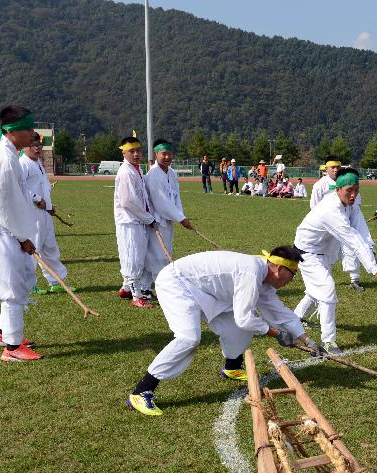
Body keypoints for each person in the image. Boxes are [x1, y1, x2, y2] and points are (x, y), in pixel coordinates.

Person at [126, 247, 323, 416]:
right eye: (293, 274)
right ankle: (141, 391)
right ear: (279, 269)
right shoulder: (252, 272)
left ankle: (231, 368)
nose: (292, 280)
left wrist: (307, 339)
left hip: (210, 293)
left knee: (240, 330)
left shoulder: (264, 279)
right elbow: (244, 318)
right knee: (189, 338)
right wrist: (276, 333)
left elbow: (279, 312)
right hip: (177, 283)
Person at [293, 168, 377, 354]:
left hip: (325, 251)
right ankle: (329, 341)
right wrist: (376, 272)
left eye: (356, 190)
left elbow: (362, 232)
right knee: (327, 290)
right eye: (349, 191)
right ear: (337, 189)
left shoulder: (351, 204)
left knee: (317, 291)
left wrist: (372, 254)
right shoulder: (331, 209)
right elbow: (352, 239)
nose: (353, 195)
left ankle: (294, 319)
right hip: (307, 252)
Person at [0, 105, 43, 361]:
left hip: (2, 228)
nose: (32, 133)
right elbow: (4, 206)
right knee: (12, 288)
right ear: (14, 131)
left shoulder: (4, 150)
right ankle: (13, 348)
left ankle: (3, 334)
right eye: (28, 128)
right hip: (0, 230)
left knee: (16, 282)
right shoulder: (4, 159)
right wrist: (22, 237)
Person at [20, 133, 72, 294]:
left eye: (39, 145)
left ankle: (56, 281)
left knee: (49, 247)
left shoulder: (38, 163)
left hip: (44, 213)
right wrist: (36, 198)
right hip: (32, 214)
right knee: (32, 248)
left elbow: (44, 187)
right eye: (33, 145)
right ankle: (28, 285)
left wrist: (49, 205)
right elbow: (19, 187)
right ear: (24, 146)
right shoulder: (22, 164)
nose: (37, 148)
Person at [310, 156, 372, 291]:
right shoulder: (319, 186)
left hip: (346, 224)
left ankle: (355, 280)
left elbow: (355, 206)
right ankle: (325, 280)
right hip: (328, 227)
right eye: (332, 167)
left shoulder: (350, 183)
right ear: (326, 169)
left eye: (338, 167)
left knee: (352, 249)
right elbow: (314, 207)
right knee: (327, 253)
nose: (335, 170)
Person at [142, 139, 195, 299]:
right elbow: (160, 201)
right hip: (157, 222)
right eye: (163, 154)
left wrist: (181, 215)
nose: (167, 157)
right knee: (157, 254)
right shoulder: (153, 174)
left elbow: (176, 197)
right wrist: (180, 218)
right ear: (156, 154)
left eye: (169, 154)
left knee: (165, 253)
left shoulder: (172, 173)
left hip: (169, 221)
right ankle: (153, 288)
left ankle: (147, 288)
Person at [114, 134, 157, 308]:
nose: (136, 154)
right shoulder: (126, 172)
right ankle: (136, 296)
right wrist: (149, 218)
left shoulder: (136, 169)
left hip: (138, 221)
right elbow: (128, 201)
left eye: (138, 150)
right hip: (130, 222)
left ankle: (126, 288)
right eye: (132, 151)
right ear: (124, 153)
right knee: (133, 257)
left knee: (139, 256)